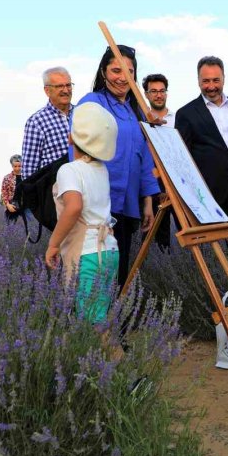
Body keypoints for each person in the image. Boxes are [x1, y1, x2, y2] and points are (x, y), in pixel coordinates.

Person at [77, 45, 160, 287]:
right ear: (103, 72)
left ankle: (117, 324)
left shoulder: (136, 112)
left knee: (119, 269)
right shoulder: (92, 103)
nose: (122, 78)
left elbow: (144, 158)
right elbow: (78, 151)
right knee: (94, 270)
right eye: (116, 70)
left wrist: (147, 202)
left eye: (129, 72)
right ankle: (87, 324)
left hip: (127, 204)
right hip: (96, 205)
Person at [45, 103, 120, 324]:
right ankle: (109, 356)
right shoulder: (101, 169)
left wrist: (53, 244)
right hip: (109, 250)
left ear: (71, 138)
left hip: (87, 253)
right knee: (99, 314)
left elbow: (74, 207)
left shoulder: (69, 170)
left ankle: (108, 357)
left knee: (89, 323)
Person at [176, 56, 228, 237]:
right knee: (214, 247)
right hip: (207, 194)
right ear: (198, 81)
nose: (211, 86)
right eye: (206, 81)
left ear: (224, 78)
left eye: (216, 80)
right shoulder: (186, 113)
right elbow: (182, 158)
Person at [21, 67, 75, 179]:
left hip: (86, 190)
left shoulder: (82, 113)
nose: (66, 90)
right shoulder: (36, 122)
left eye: (68, 85)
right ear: (47, 90)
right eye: (60, 86)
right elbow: (29, 172)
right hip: (54, 192)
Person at [143, 73, 176, 249]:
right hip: (153, 184)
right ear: (146, 95)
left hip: (177, 184)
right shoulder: (141, 121)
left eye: (162, 91)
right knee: (156, 236)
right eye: (153, 91)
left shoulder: (177, 119)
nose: (158, 95)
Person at [1, 154, 23, 222]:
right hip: (12, 207)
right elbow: (4, 193)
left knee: (30, 228)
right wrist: (8, 205)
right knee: (11, 229)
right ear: (12, 166)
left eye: (19, 166)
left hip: (26, 207)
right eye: (15, 166)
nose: (17, 168)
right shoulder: (7, 178)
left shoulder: (26, 177)